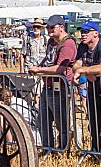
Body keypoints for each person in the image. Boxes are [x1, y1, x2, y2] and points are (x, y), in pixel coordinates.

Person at [29, 15, 77, 151]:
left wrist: (38, 70)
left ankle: (62, 150)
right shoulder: (51, 41)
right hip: (48, 86)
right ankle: (47, 148)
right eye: (47, 27)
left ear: (61, 27)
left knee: (61, 123)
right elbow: (48, 60)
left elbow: (60, 69)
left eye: (52, 27)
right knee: (43, 121)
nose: (48, 29)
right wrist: (38, 68)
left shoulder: (68, 43)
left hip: (61, 87)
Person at [73, 21, 101, 153]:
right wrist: (87, 71)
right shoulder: (83, 46)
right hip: (93, 90)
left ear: (96, 33)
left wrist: (85, 71)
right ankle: (98, 152)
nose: (83, 34)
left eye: (86, 31)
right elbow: (76, 65)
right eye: (82, 32)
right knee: (94, 123)